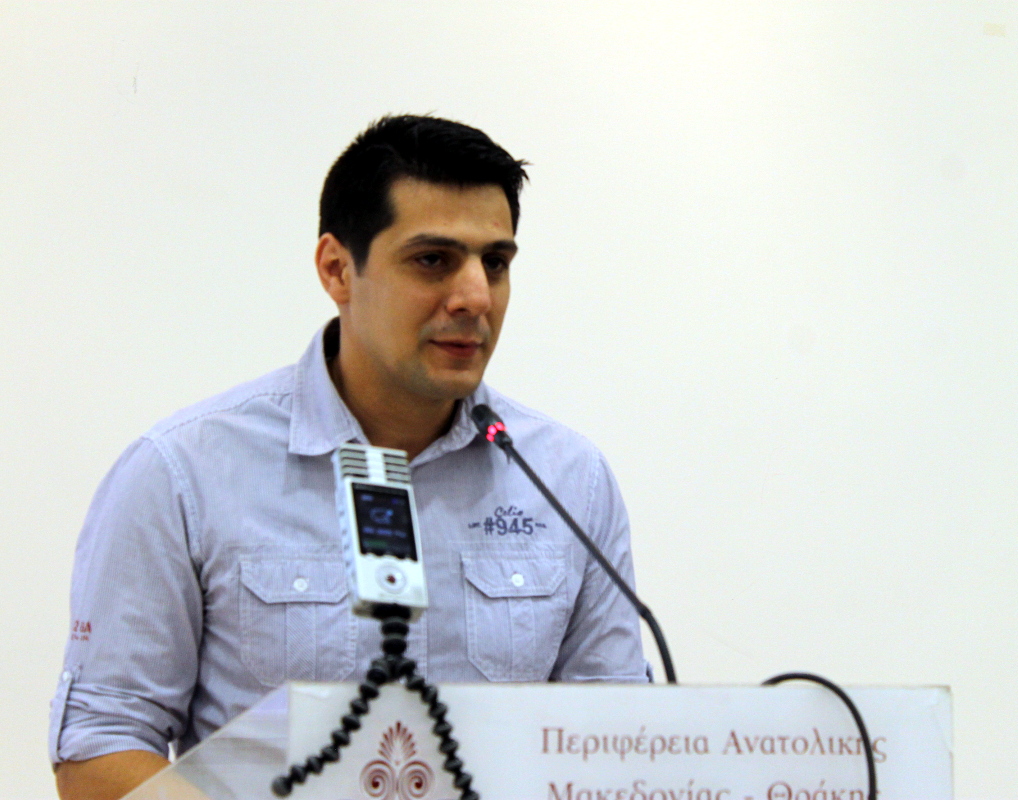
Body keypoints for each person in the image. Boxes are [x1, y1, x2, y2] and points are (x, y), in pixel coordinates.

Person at [51, 115, 648, 800]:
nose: (476, 298)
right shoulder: (181, 474)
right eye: (433, 260)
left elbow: (615, 746)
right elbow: (97, 754)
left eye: (496, 263)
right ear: (337, 269)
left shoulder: (568, 482)